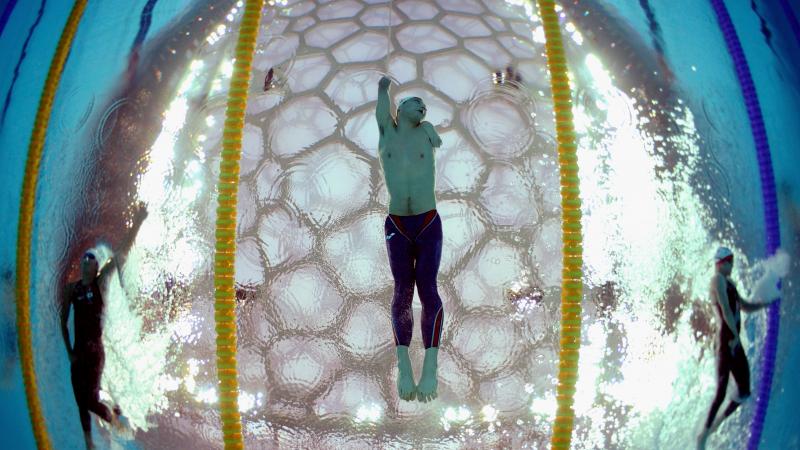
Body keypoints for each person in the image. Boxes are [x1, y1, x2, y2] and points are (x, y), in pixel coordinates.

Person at [376, 76, 444, 403]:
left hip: (428, 219)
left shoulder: (426, 132)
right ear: (399, 109)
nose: (422, 107)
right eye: (415, 102)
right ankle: (404, 364)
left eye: (424, 106)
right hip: (397, 223)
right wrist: (383, 88)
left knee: (427, 287)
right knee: (403, 289)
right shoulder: (386, 131)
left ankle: (430, 366)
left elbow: (438, 142)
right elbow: (382, 109)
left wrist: (429, 126)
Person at [61, 203, 147, 449]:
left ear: (97, 267)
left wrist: (138, 222)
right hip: (78, 351)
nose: (89, 262)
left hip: (95, 352)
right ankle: (91, 441)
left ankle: (114, 417)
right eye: (86, 258)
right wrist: (68, 350)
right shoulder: (71, 289)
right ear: (81, 264)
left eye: (93, 260)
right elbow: (62, 322)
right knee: (81, 397)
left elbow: (121, 252)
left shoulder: (100, 284)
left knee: (88, 399)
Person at [698, 246, 780, 449]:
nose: (732, 266)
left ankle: (714, 425)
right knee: (721, 391)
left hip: (734, 341)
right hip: (727, 341)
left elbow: (744, 306)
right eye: (730, 262)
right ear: (723, 262)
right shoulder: (717, 280)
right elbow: (725, 309)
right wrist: (734, 336)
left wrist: (764, 304)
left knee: (744, 392)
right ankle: (703, 436)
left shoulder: (729, 283)